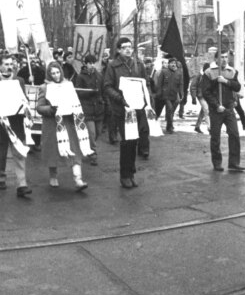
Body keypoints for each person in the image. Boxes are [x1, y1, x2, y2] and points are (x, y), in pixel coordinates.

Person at [0, 54, 32, 197]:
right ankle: (0, 177)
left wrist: (26, 107)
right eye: (6, 64)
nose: (9, 67)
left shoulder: (19, 80)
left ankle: (22, 184)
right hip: (0, 123)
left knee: (19, 153)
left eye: (11, 64)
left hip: (16, 123)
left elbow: (24, 98)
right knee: (0, 153)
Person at [104, 37, 150, 188]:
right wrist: (120, 98)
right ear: (118, 50)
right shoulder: (113, 66)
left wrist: (146, 100)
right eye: (124, 47)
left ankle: (131, 172)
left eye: (130, 47)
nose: (128, 50)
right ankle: (125, 175)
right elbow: (107, 86)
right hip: (122, 109)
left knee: (135, 140)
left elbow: (145, 83)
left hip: (137, 108)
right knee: (126, 141)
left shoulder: (138, 64)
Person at [37, 61, 90, 191]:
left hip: (69, 122)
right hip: (52, 123)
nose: (56, 75)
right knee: (53, 151)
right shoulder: (44, 87)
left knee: (74, 149)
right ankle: (53, 175)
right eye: (52, 73)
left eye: (58, 72)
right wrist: (50, 109)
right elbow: (39, 107)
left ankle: (78, 179)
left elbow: (75, 100)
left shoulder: (68, 85)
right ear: (48, 75)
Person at [200, 50, 245, 172]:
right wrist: (216, 105)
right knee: (215, 137)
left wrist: (226, 81)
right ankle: (217, 162)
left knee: (234, 134)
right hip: (216, 110)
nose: (224, 59)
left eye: (226, 57)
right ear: (216, 59)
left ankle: (234, 162)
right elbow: (206, 92)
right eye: (221, 57)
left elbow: (237, 86)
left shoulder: (232, 71)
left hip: (229, 107)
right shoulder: (209, 73)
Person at [74, 54, 105, 166]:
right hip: (87, 107)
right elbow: (78, 92)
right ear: (85, 64)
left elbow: (103, 90)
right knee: (91, 133)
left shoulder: (99, 75)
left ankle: (87, 146)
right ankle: (93, 154)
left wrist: (104, 101)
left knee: (98, 132)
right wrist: (90, 91)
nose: (92, 65)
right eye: (90, 63)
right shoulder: (80, 76)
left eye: (94, 63)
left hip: (99, 108)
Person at [158, 57, 183, 134]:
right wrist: (159, 93)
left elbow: (181, 84)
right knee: (170, 109)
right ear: (168, 64)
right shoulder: (164, 71)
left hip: (175, 95)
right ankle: (169, 127)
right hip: (166, 95)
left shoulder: (179, 72)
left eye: (174, 63)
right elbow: (159, 83)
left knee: (171, 111)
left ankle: (170, 125)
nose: (173, 65)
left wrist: (181, 94)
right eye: (171, 63)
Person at [190, 63, 210, 134]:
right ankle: (209, 127)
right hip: (201, 95)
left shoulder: (209, 75)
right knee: (206, 109)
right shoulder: (199, 76)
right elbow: (193, 86)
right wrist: (193, 97)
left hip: (207, 96)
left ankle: (197, 126)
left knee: (203, 111)